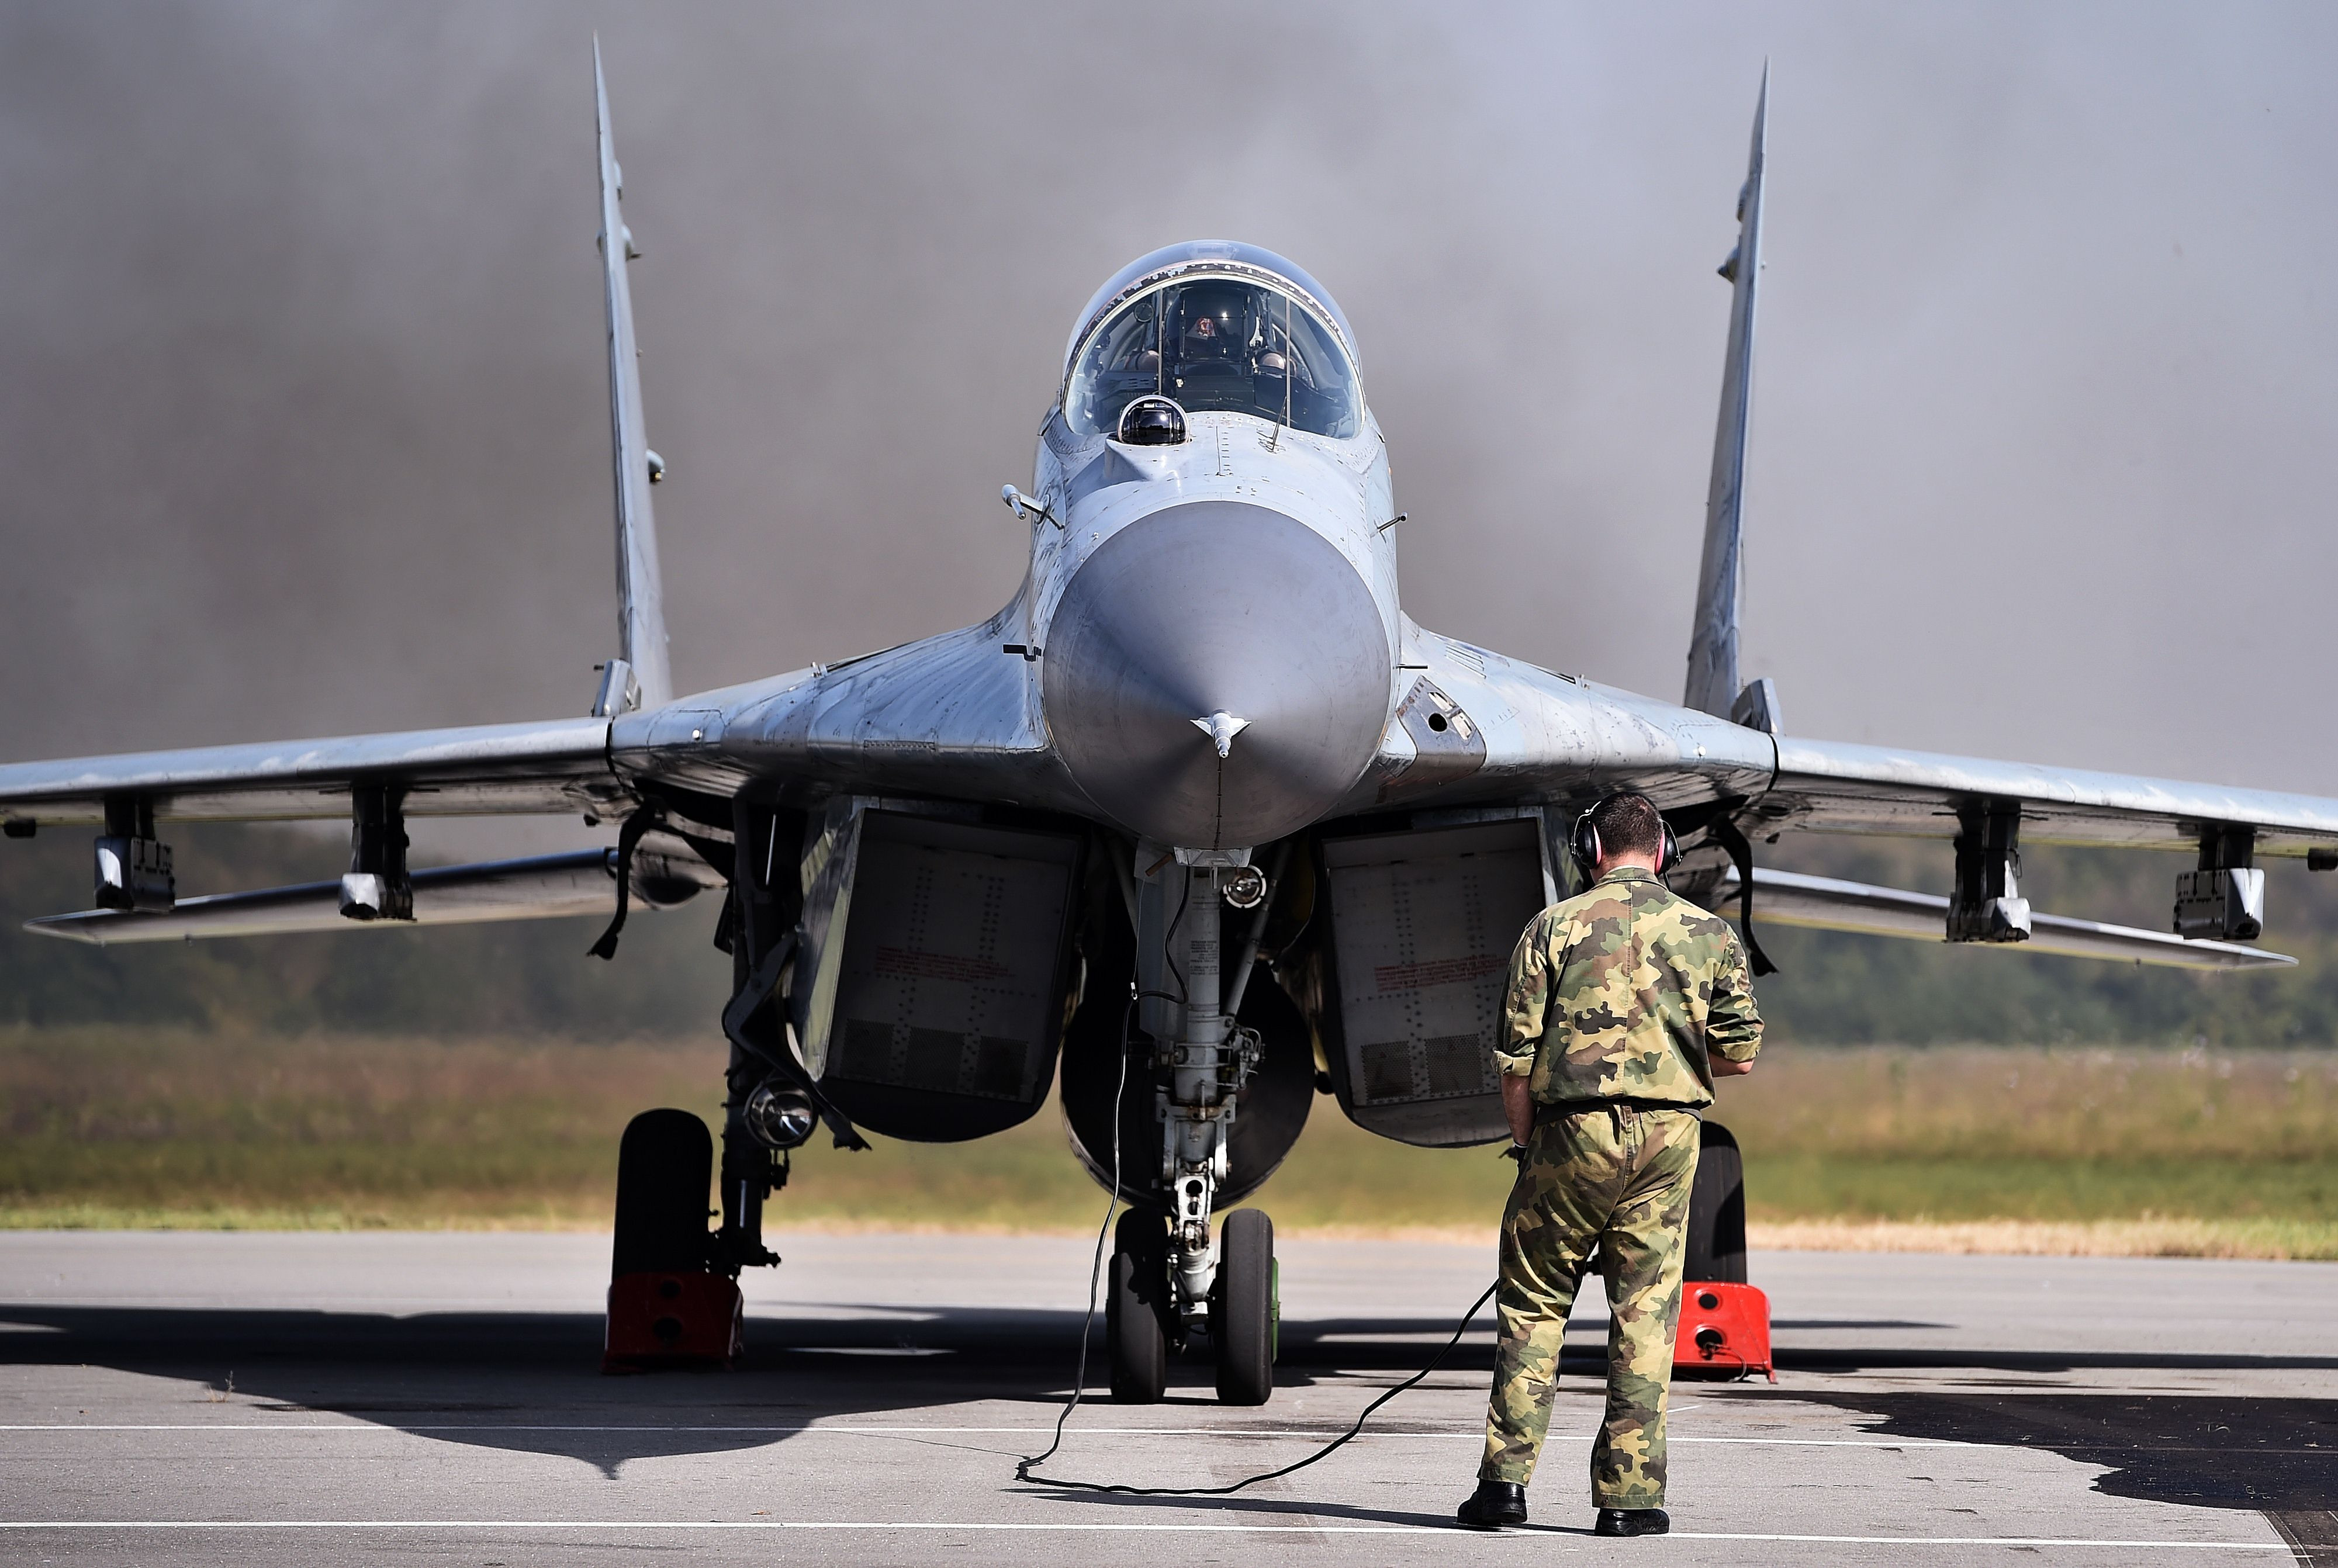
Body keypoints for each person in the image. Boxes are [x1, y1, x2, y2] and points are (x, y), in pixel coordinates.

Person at [1456, 791, 1763, 1537]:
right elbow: (1742, 1055)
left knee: (1532, 1308)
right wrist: (1675, 1055)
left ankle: (1503, 1487)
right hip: (1668, 1138)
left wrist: (1531, 1148)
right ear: (1662, 852)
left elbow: (1515, 1065)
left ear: (1589, 848)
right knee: (1645, 1315)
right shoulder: (1710, 933)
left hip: (1569, 1130)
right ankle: (1628, 1500)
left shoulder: (1550, 929)